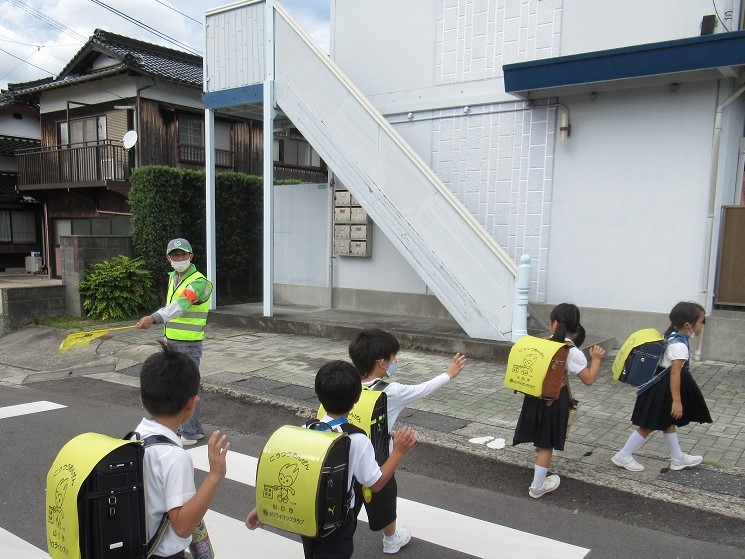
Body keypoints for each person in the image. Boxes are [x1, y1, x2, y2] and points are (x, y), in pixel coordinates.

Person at [245, 360, 417, 559]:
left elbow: (292, 473)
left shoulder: (305, 429)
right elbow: (376, 484)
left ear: (318, 395)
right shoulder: (357, 439)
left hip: (308, 515)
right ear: (358, 397)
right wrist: (398, 452)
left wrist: (262, 508)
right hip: (337, 524)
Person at [347, 328, 466, 554]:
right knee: (384, 496)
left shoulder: (348, 384)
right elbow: (423, 390)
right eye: (393, 357)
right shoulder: (391, 391)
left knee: (349, 502)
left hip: (348, 455)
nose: (395, 361)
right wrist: (449, 373)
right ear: (382, 362)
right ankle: (391, 539)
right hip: (378, 460)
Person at [134, 341, 230, 559]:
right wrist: (214, 476)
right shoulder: (175, 457)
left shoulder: (136, 436)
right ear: (191, 403)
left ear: (141, 397)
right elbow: (183, 525)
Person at [512, 303, 606, 498]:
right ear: (576, 327)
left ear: (553, 323)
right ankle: (538, 486)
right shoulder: (571, 351)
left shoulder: (542, 343)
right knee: (548, 444)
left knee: (542, 437)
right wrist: (596, 359)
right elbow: (588, 379)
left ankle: (540, 454)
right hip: (554, 401)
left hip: (534, 397)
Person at [612, 301, 712, 472]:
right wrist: (677, 401)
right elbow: (675, 374)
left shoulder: (672, 337)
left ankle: (678, 458)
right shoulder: (680, 346)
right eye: (702, 321)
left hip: (659, 388)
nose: (703, 325)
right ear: (688, 325)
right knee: (648, 425)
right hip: (662, 390)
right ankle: (623, 455)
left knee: (667, 422)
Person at [138, 238, 213, 446]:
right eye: (175, 255)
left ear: (191, 256)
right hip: (172, 341)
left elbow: (181, 305)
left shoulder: (199, 282)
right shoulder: (174, 278)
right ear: (168, 258)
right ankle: (182, 428)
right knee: (174, 385)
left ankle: (191, 432)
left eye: (183, 254)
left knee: (188, 387)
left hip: (189, 343)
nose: (179, 258)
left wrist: (154, 317)